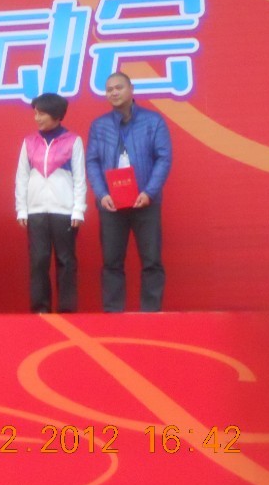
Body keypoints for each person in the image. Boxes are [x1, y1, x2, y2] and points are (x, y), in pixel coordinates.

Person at [86, 72, 172, 312]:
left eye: (119, 87)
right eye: (109, 89)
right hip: (111, 203)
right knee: (111, 261)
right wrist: (102, 194)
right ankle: (113, 314)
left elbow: (163, 158)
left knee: (151, 260)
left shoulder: (153, 121)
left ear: (131, 89)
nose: (113, 92)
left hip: (145, 201)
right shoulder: (99, 125)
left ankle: (151, 312)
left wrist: (149, 192)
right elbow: (92, 161)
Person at [14, 93, 86, 313]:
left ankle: (67, 309)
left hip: (64, 211)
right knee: (39, 260)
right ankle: (40, 308)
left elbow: (80, 178)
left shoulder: (73, 140)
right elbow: (21, 177)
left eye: (41, 113)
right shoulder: (29, 142)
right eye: (35, 113)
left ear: (56, 114)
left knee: (66, 260)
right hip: (36, 211)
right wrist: (21, 209)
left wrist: (78, 209)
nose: (36, 118)